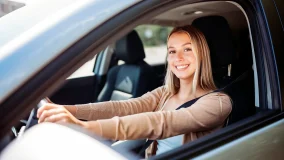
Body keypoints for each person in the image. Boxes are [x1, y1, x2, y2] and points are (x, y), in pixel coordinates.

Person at [37, 25, 232, 157]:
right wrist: (65, 109)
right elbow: (126, 107)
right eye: (172, 51)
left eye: (187, 49)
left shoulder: (218, 102)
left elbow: (159, 123)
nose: (178, 57)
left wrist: (84, 128)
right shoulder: (166, 92)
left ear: (202, 55)